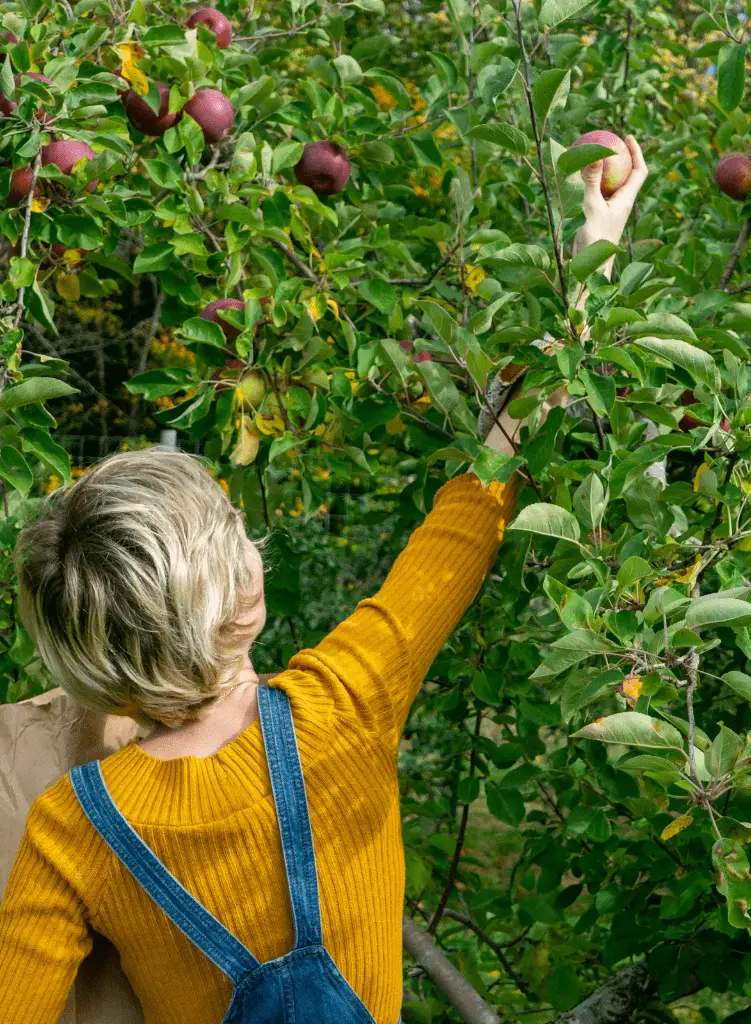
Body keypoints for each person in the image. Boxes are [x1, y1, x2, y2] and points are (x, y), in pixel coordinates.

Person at [0, 136, 647, 1024]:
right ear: (243, 601)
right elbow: (474, 508)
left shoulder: (71, 832)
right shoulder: (345, 706)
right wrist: (588, 261)